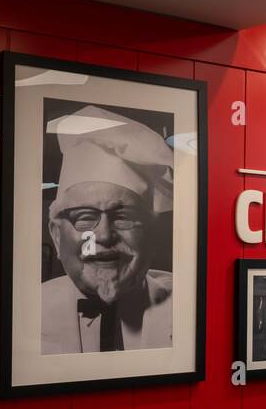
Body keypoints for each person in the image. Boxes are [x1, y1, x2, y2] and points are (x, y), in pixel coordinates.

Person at [41, 106, 175, 354]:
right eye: (84, 217)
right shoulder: (25, 309)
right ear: (57, 237)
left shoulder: (187, 306)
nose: (103, 235)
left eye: (124, 217)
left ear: (150, 235)